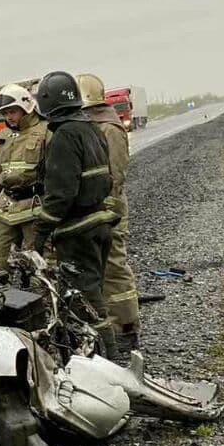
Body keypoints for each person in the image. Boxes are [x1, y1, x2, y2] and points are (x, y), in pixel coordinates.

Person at [31, 71, 120, 359]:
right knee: (92, 291)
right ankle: (94, 356)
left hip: (78, 231)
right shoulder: (91, 127)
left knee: (85, 300)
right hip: (99, 224)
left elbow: (60, 195)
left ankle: (109, 362)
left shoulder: (64, 135)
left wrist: (39, 235)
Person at [78, 72, 141, 357]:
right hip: (92, 209)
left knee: (114, 269)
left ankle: (126, 329)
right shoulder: (89, 126)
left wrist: (104, 211)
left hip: (109, 208)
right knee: (95, 270)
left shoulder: (109, 128)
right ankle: (105, 329)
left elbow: (115, 176)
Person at [0, 84, 50, 271]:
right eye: (5, 113)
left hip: (35, 209)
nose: (9, 117)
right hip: (5, 210)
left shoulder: (46, 132)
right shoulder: (3, 137)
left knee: (38, 266)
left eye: (12, 112)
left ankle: (41, 300)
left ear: (26, 107)